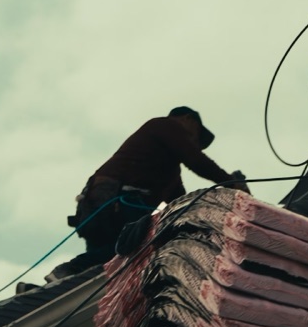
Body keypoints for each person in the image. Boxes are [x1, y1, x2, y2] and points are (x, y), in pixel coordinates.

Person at [55, 107, 247, 278]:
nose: (195, 144)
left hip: (100, 200)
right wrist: (231, 182)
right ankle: (71, 269)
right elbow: (197, 161)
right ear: (188, 119)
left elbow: (179, 204)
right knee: (143, 243)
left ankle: (62, 279)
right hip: (114, 198)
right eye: (196, 137)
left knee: (105, 266)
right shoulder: (166, 126)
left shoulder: (169, 170)